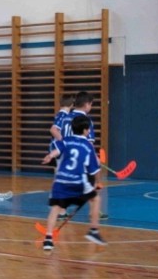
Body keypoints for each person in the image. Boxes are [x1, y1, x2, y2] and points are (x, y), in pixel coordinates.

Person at [41, 115, 107, 251]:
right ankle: (94, 231)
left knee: (55, 208)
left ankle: (48, 239)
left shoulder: (66, 140)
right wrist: (98, 183)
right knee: (96, 199)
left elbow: (56, 151)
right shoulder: (88, 146)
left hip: (61, 180)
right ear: (86, 130)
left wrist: (49, 156)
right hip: (78, 181)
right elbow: (95, 170)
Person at [61, 91, 108, 220]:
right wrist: (95, 157)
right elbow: (89, 142)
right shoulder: (86, 120)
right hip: (82, 156)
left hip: (67, 155)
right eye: (91, 104)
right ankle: (94, 211)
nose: (91, 107)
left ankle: (62, 212)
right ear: (87, 104)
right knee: (92, 182)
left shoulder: (66, 118)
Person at [49, 93, 75, 220]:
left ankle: (60, 206)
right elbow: (53, 130)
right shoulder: (63, 115)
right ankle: (60, 208)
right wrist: (64, 142)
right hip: (60, 151)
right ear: (72, 104)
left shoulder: (64, 116)